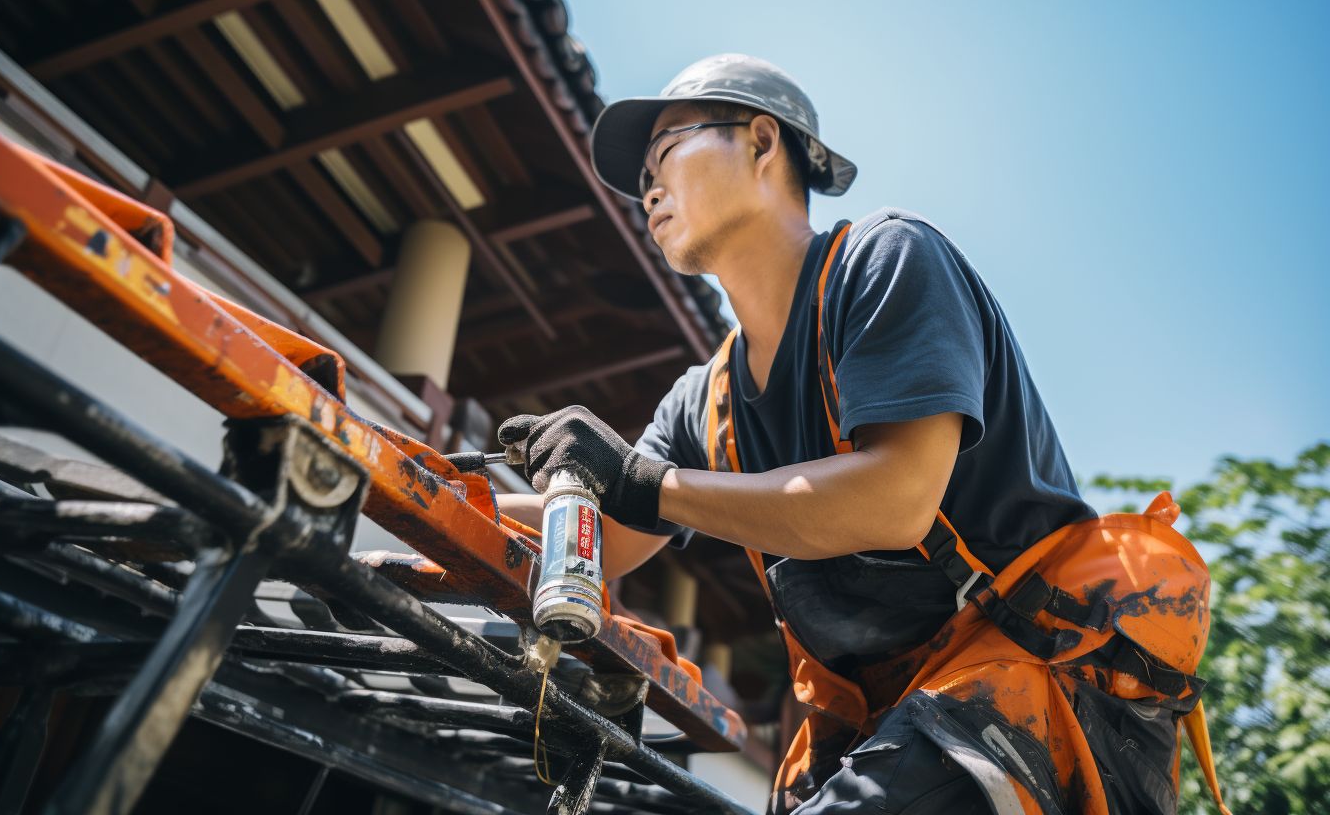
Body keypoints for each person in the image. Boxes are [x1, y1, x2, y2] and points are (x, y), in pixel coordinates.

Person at [496, 55, 1227, 815]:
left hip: (1035, 682)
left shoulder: (885, 261)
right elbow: (601, 534)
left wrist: (642, 483)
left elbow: (895, 502)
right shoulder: (703, 401)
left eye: (667, 151)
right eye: (640, 175)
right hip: (895, 721)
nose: (647, 188)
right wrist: (407, 480)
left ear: (760, 140)